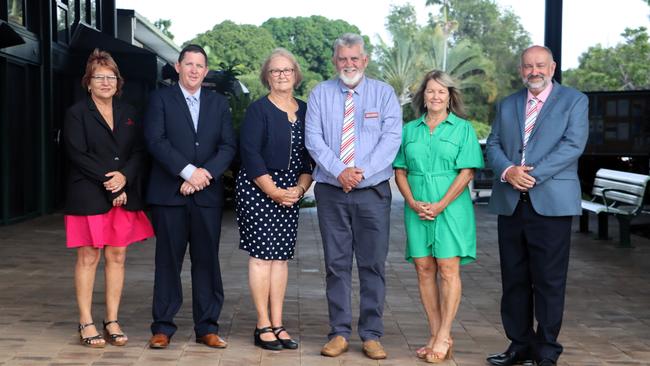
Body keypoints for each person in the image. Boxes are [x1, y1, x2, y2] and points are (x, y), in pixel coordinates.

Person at [485, 45, 588, 366]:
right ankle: (518, 345)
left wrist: (530, 175)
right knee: (513, 278)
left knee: (548, 279)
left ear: (552, 67)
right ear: (521, 70)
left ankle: (546, 351)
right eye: (528, 66)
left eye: (540, 65)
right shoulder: (508, 104)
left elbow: (573, 145)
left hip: (551, 203)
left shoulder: (574, 101)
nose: (534, 71)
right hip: (511, 203)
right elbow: (494, 143)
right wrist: (507, 171)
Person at [305, 33, 402, 360]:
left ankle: (372, 334)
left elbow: (391, 141)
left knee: (372, 264)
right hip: (332, 192)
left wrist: (358, 173)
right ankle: (339, 332)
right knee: (336, 263)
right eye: (343, 58)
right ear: (335, 61)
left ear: (365, 59)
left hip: (372, 192)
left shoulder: (384, 94)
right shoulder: (320, 94)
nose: (349, 64)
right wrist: (340, 172)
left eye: (354, 58)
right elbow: (314, 140)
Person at [144, 44, 237, 349]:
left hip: (206, 196)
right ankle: (162, 327)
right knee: (168, 262)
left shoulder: (218, 103)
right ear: (178, 66)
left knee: (207, 262)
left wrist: (202, 176)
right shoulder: (160, 99)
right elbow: (155, 141)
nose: (195, 70)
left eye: (200, 65)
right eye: (189, 64)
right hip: (169, 196)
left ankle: (207, 327)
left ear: (206, 71)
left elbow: (227, 147)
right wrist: (187, 172)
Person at [63, 49, 154, 348]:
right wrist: (112, 183)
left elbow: (139, 151)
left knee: (117, 256)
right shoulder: (77, 113)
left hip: (123, 192)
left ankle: (112, 319)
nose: (105, 82)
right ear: (88, 83)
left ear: (118, 81)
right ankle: (86, 321)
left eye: (111, 77)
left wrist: (124, 178)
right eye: (99, 77)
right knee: (89, 256)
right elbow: (77, 154)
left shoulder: (129, 112)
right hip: (89, 194)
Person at [393, 70, 484, 363]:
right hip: (416, 206)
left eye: (441, 92)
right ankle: (434, 333)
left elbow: (467, 171)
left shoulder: (463, 129)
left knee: (447, 268)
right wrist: (412, 201)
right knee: (423, 268)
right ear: (423, 95)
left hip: (451, 207)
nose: (435, 96)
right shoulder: (409, 130)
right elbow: (400, 169)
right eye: (431, 91)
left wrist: (441, 204)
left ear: (450, 97)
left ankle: (445, 334)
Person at [236, 48, 313, 351]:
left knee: (280, 260)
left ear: (296, 74)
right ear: (266, 77)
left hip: (292, 192)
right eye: (275, 71)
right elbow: (251, 156)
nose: (282, 75)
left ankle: (278, 323)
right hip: (259, 189)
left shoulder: (307, 110)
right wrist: (275, 191)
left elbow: (310, 160)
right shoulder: (258, 110)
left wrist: (299, 190)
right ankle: (262, 324)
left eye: (287, 70)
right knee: (261, 258)